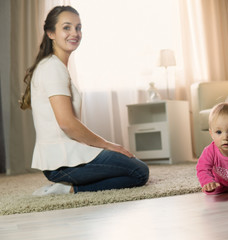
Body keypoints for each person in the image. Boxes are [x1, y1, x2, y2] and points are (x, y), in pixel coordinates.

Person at [20, 6, 149, 195]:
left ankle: (68, 187)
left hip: (63, 159)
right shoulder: (52, 68)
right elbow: (67, 124)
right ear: (51, 33)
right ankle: (68, 189)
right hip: (63, 162)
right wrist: (109, 145)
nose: (75, 33)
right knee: (139, 172)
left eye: (78, 28)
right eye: (67, 27)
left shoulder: (54, 66)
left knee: (133, 167)